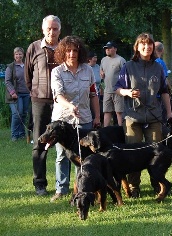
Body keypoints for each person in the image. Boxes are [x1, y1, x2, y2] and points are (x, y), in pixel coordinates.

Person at [115, 33, 172, 198]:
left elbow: (164, 92)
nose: (147, 47)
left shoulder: (158, 67)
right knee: (133, 155)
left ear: (153, 47)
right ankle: (134, 187)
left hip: (154, 116)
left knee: (157, 153)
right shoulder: (128, 66)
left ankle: (158, 184)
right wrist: (127, 92)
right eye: (143, 44)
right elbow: (117, 88)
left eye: (150, 45)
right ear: (137, 47)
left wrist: (169, 113)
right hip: (133, 117)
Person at [50, 35, 101, 201]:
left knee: (82, 156)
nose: (72, 53)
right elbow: (58, 96)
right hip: (63, 120)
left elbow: (93, 94)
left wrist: (98, 116)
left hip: (84, 118)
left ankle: (80, 188)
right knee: (62, 155)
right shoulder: (56, 72)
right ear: (63, 53)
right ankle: (61, 189)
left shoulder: (88, 70)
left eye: (75, 50)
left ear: (80, 52)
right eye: (69, 50)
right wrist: (70, 106)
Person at [25, 15, 61, 196]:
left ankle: (64, 185)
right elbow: (27, 76)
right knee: (40, 142)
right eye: (49, 28)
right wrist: (37, 93)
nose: (51, 32)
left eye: (55, 29)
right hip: (40, 101)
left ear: (59, 31)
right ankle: (40, 183)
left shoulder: (65, 48)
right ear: (43, 29)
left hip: (62, 103)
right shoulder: (34, 48)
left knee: (66, 143)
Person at [5, 47, 31, 142]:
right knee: (17, 114)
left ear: (23, 55)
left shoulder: (26, 66)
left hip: (26, 94)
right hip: (16, 95)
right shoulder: (10, 67)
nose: (18, 56)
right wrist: (13, 93)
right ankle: (14, 135)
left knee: (24, 114)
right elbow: (7, 81)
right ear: (14, 55)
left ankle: (21, 134)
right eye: (16, 54)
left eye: (20, 54)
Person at [100, 41, 126, 126]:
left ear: (115, 49)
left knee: (119, 112)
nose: (107, 50)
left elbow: (126, 75)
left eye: (109, 48)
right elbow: (101, 70)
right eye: (106, 48)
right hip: (107, 91)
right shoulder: (103, 60)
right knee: (106, 111)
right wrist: (101, 73)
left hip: (118, 91)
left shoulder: (120, 60)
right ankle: (105, 131)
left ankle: (121, 131)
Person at [87, 51, 103, 122]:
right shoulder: (86, 68)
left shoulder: (97, 67)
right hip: (88, 93)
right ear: (89, 59)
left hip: (98, 92)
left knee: (98, 110)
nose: (96, 59)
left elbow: (102, 80)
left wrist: (102, 88)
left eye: (96, 57)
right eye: (94, 57)